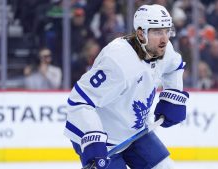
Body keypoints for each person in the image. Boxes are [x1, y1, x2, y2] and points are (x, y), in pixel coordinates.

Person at [64, 4, 189, 169]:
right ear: (140, 33)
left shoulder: (163, 49)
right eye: (158, 32)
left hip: (136, 134)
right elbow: (79, 101)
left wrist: (173, 94)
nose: (165, 39)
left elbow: (175, 66)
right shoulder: (117, 62)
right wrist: (93, 139)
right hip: (105, 143)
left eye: (167, 31)